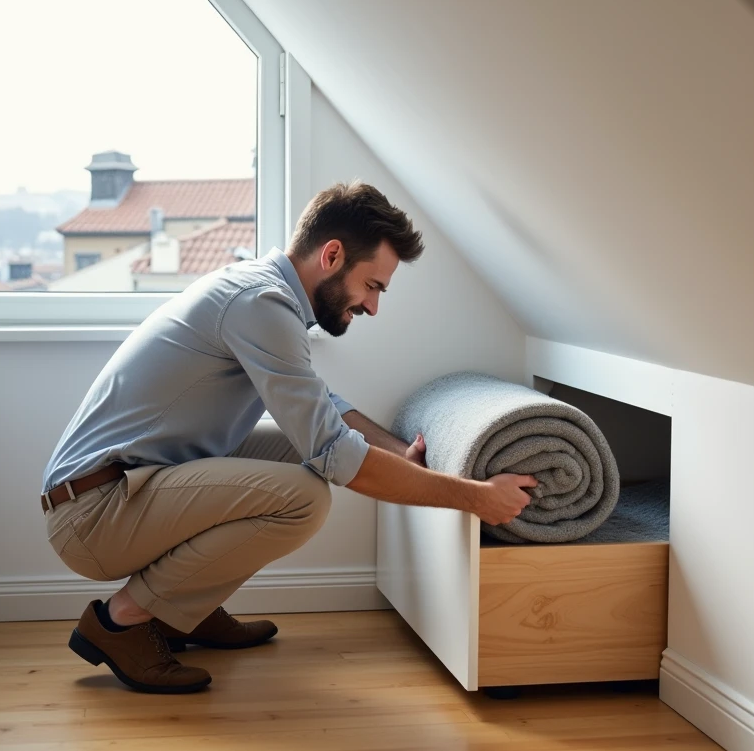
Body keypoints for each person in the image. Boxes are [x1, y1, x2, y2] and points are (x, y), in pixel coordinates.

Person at [41, 180, 536, 694]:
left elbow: (326, 411)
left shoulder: (265, 296)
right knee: (305, 495)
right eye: (373, 286)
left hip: (128, 486)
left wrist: (405, 457)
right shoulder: (260, 303)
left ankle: (180, 610)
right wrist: (476, 498)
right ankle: (121, 620)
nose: (372, 306)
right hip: (93, 512)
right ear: (333, 254)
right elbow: (338, 458)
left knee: (291, 445)